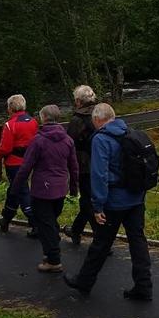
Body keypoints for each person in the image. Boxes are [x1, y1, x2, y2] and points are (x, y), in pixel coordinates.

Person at [64, 103, 152, 301]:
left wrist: (97, 206)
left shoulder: (101, 139)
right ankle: (144, 285)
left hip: (114, 201)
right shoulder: (130, 132)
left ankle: (84, 283)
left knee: (101, 244)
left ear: (97, 120)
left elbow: (99, 175)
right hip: (136, 198)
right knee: (138, 241)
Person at [11, 105, 79, 273]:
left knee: (45, 224)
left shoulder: (38, 140)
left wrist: (16, 186)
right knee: (51, 221)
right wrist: (73, 187)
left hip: (42, 188)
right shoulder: (68, 140)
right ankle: (50, 252)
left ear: (43, 118)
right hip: (60, 187)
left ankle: (54, 260)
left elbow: (26, 166)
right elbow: (74, 166)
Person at [0, 94, 39, 236]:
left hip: (14, 163)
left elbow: (5, 148)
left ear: (10, 108)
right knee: (14, 190)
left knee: (22, 191)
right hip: (29, 161)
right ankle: (6, 219)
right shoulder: (33, 121)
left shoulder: (10, 125)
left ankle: (35, 222)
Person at [61, 85, 99, 245]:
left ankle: (101, 237)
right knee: (91, 198)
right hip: (102, 162)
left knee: (87, 199)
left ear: (78, 101)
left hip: (84, 165)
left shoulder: (77, 119)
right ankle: (76, 230)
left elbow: (69, 142)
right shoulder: (100, 113)